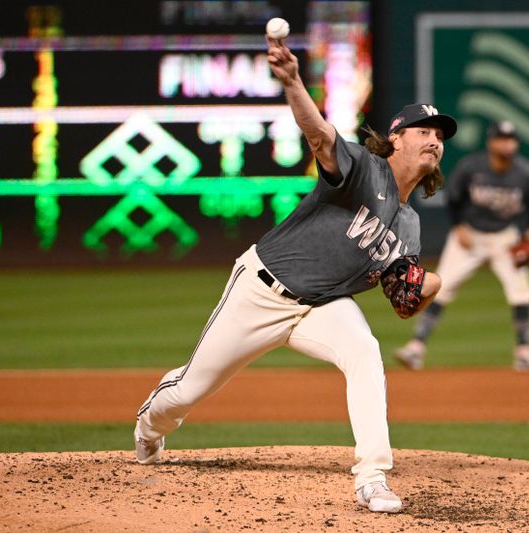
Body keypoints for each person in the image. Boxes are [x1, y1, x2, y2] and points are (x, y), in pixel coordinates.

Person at [133, 33, 457, 515]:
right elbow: (320, 136)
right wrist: (291, 83)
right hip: (263, 289)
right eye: (423, 130)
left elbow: (403, 298)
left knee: (365, 354)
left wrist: (429, 287)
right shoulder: (364, 167)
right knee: (190, 390)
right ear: (395, 138)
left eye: (440, 136)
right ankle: (148, 426)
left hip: (321, 306)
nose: (434, 139)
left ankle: (372, 476)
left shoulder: (409, 225)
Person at [394, 120, 529, 372]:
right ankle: (415, 348)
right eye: (501, 138)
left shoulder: (526, 173)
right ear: (491, 142)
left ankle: (524, 351)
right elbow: (453, 198)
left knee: (521, 291)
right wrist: (458, 226)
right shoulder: (472, 167)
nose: (506, 143)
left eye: (510, 139)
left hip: (504, 238)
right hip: (469, 236)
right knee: (440, 288)